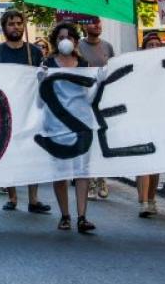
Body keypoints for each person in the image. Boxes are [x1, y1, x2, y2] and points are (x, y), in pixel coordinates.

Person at [0, 9, 51, 214]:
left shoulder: (35, 52)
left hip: (31, 109)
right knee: (10, 152)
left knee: (32, 153)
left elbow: (43, 80)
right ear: (4, 27)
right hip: (6, 110)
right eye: (12, 24)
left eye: (19, 23)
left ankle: (34, 199)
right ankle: (12, 197)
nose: (16, 27)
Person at [42, 22, 95, 233]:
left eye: (69, 36)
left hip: (81, 123)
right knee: (60, 173)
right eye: (61, 36)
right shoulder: (48, 63)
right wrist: (40, 77)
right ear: (56, 40)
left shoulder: (83, 63)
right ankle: (65, 215)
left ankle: (82, 217)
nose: (65, 40)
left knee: (82, 171)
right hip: (56, 125)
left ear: (75, 41)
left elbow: (90, 94)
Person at [78, 17, 115, 200]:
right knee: (89, 141)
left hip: (104, 100)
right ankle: (91, 179)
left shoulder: (108, 47)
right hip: (84, 101)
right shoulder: (78, 47)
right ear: (84, 25)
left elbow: (114, 70)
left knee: (102, 139)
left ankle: (102, 178)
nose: (97, 25)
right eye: (92, 22)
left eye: (99, 22)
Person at [136, 32, 165, 218]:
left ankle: (152, 198)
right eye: (150, 45)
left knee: (156, 163)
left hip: (160, 118)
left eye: (157, 44)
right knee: (143, 161)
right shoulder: (137, 66)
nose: (154, 48)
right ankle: (143, 201)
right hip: (140, 118)